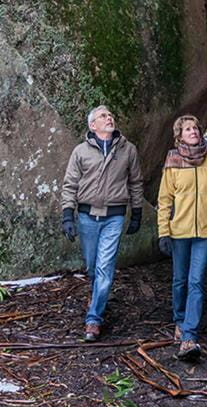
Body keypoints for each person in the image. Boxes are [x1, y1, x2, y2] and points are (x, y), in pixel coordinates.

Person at [60, 105, 145, 342]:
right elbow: (70, 184)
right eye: (103, 116)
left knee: (105, 270)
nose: (109, 118)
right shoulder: (80, 152)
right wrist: (68, 215)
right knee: (92, 266)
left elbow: (136, 182)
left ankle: (93, 319)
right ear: (92, 125)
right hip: (87, 217)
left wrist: (136, 212)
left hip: (114, 217)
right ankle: (97, 296)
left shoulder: (128, 150)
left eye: (111, 115)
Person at [157, 114, 207, 360]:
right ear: (179, 135)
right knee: (180, 280)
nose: (193, 131)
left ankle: (189, 335)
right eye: (188, 129)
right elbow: (164, 200)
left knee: (196, 282)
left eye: (196, 128)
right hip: (179, 232)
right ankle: (179, 320)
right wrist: (163, 232)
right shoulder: (172, 161)